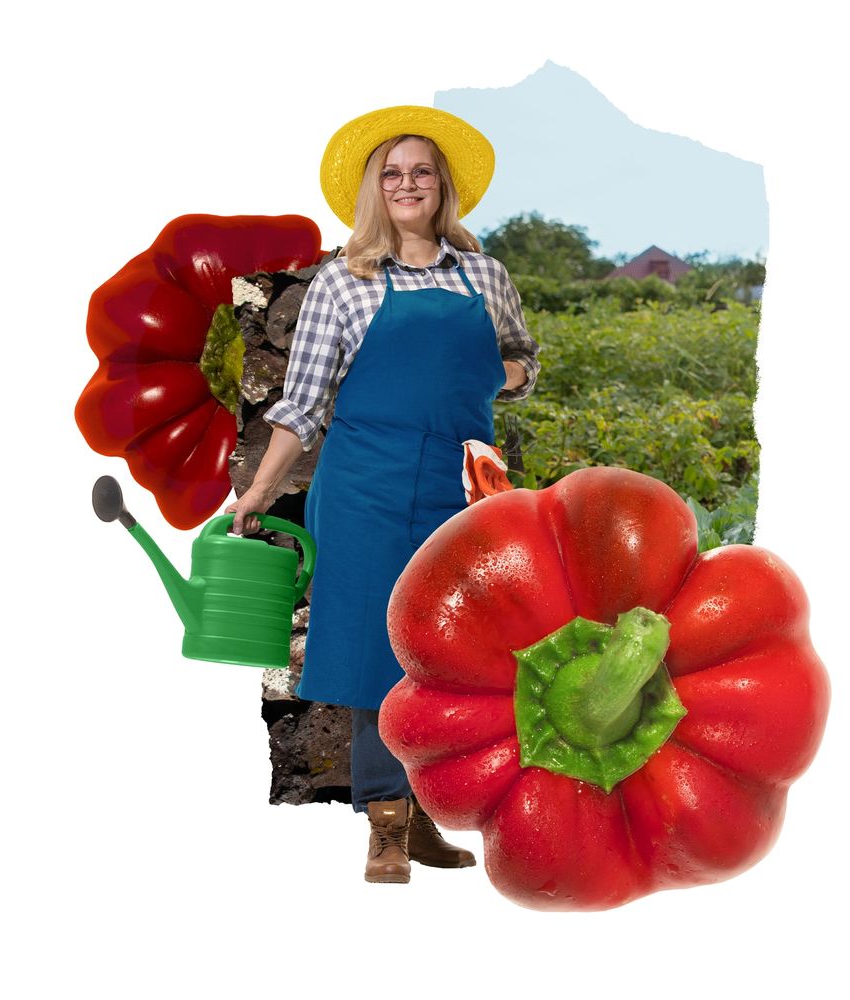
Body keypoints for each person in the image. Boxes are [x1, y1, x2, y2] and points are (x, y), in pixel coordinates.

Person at [226, 106, 540, 884]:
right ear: (376, 189)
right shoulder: (344, 280)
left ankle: (431, 814)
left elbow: (524, 363)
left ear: (441, 188)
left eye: (420, 173)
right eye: (392, 174)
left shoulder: (485, 275)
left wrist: (499, 377)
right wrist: (259, 491)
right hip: (365, 482)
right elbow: (300, 406)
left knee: (456, 649)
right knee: (374, 647)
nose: (407, 185)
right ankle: (387, 824)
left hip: (461, 484)